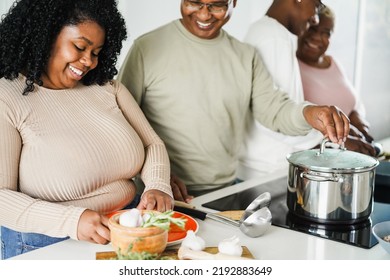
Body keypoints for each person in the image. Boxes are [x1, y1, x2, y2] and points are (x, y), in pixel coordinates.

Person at [117, 0, 349, 200]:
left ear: (234, 3)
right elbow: (121, 120)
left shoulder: (245, 56)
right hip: (159, 192)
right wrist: (155, 174)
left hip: (224, 191)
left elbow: (274, 110)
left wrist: (310, 114)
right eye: (194, 2)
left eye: (217, 5)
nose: (204, 14)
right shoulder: (146, 48)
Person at [0, 0, 173, 259]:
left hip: (126, 227)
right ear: (45, 36)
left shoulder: (106, 87)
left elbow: (152, 144)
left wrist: (158, 185)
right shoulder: (6, 98)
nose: (89, 62)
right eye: (80, 47)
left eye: (96, 52)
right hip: (46, 244)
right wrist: (73, 220)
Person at [238, 0, 326, 181]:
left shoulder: (265, 30)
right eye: (316, 6)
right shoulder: (274, 37)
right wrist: (328, 137)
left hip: (257, 168)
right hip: (267, 171)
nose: (316, 19)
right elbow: (274, 115)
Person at [296, 5, 377, 156]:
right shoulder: (292, 67)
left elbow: (352, 101)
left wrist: (357, 118)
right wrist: (341, 141)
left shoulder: (333, 63)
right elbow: (294, 121)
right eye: (313, 29)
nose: (318, 38)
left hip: (348, 156)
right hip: (319, 160)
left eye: (326, 33)